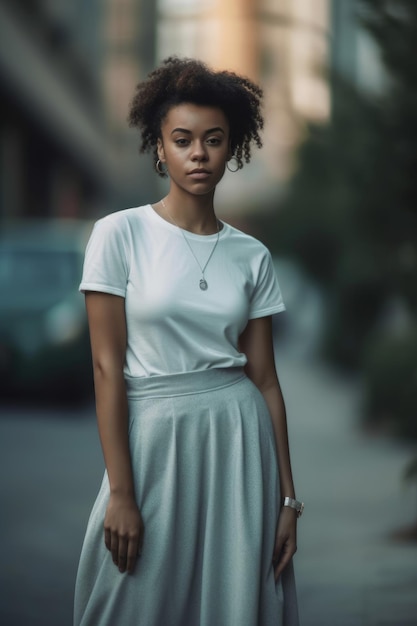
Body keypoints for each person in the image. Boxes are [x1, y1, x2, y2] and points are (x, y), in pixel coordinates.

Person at [74, 56, 302, 626]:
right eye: (182, 140)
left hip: (238, 444)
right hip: (153, 440)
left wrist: (288, 500)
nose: (198, 153)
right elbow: (106, 368)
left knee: (233, 601)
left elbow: (266, 380)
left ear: (233, 150)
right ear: (159, 147)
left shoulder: (252, 255)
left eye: (213, 140)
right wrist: (122, 493)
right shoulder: (118, 234)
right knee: (125, 600)